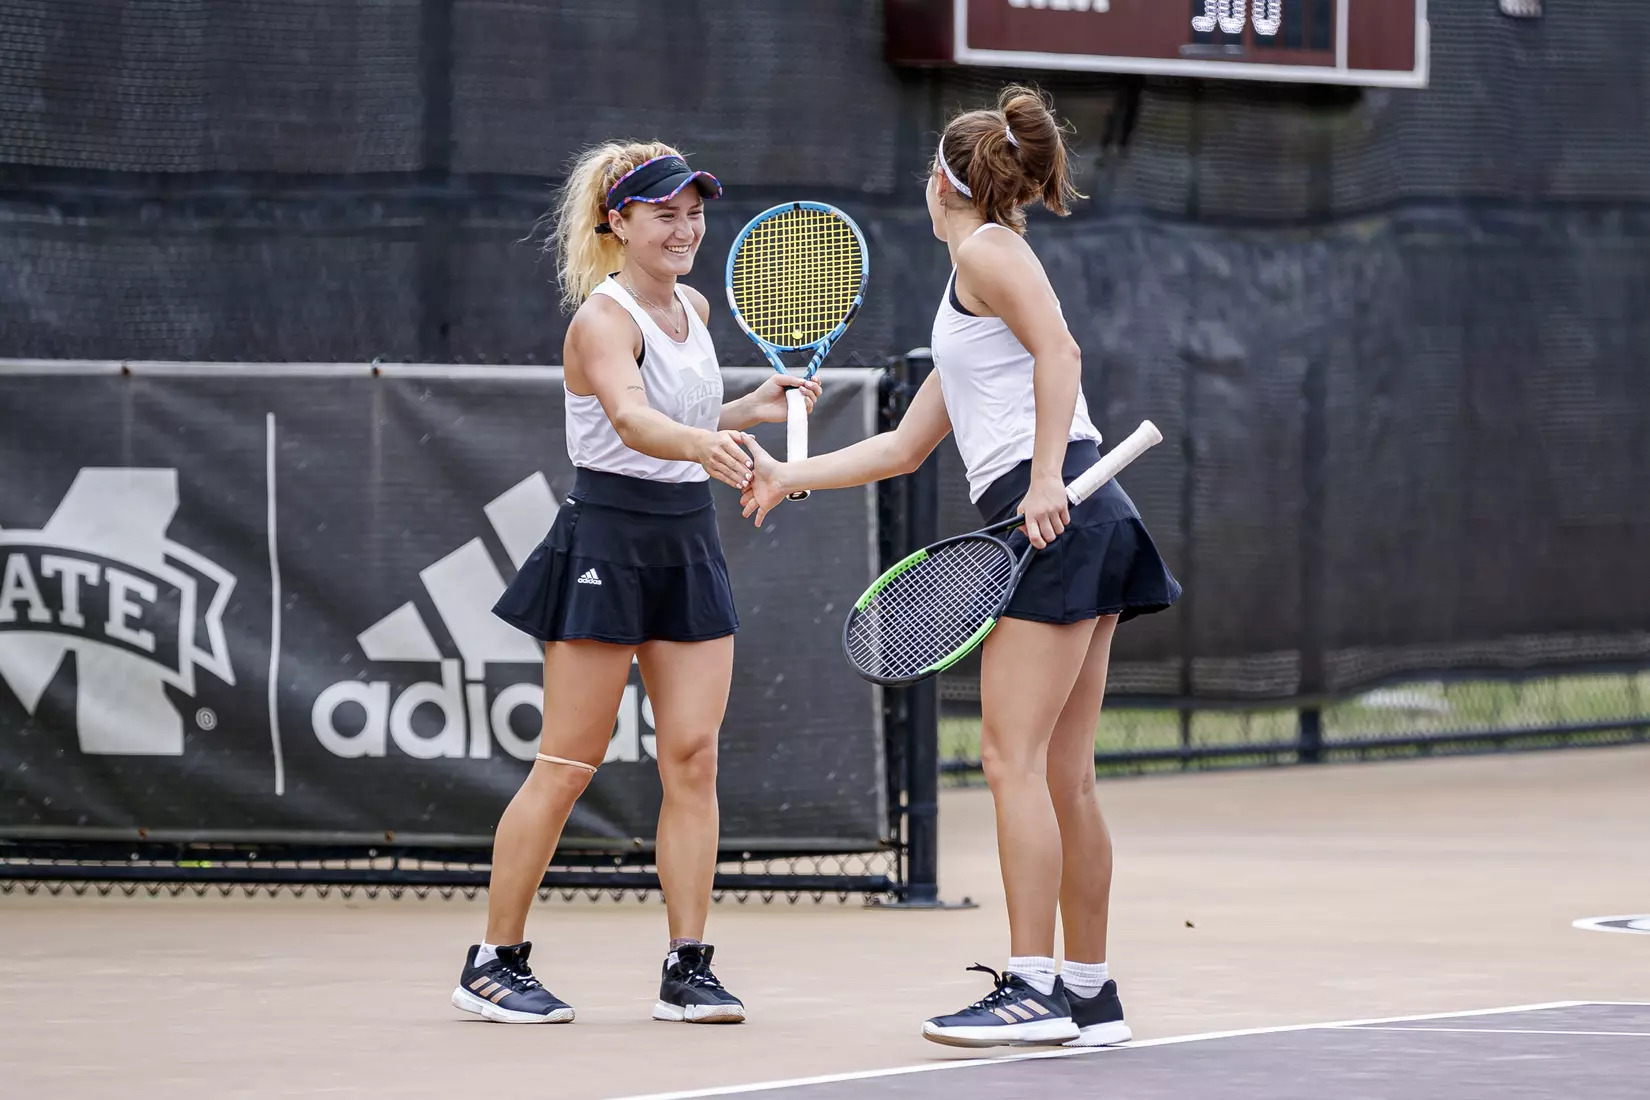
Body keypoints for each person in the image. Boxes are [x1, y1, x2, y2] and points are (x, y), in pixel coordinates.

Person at [738, 87, 1180, 1048]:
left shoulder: (986, 251)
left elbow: (1061, 352)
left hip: (1058, 510)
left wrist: (1051, 476)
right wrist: (789, 473)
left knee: (1011, 760)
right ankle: (1090, 994)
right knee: (1065, 774)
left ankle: (1029, 987)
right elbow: (903, 447)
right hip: (1084, 515)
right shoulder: (969, 294)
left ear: (943, 180)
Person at [450, 141, 820, 1025]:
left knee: (693, 757)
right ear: (619, 223)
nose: (686, 229)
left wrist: (748, 410)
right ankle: (493, 961)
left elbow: (685, 415)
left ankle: (687, 967)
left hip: (686, 538)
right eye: (665, 214)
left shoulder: (693, 304)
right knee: (568, 764)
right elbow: (629, 415)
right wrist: (709, 447)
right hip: (606, 540)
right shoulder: (601, 320)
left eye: (694, 213)